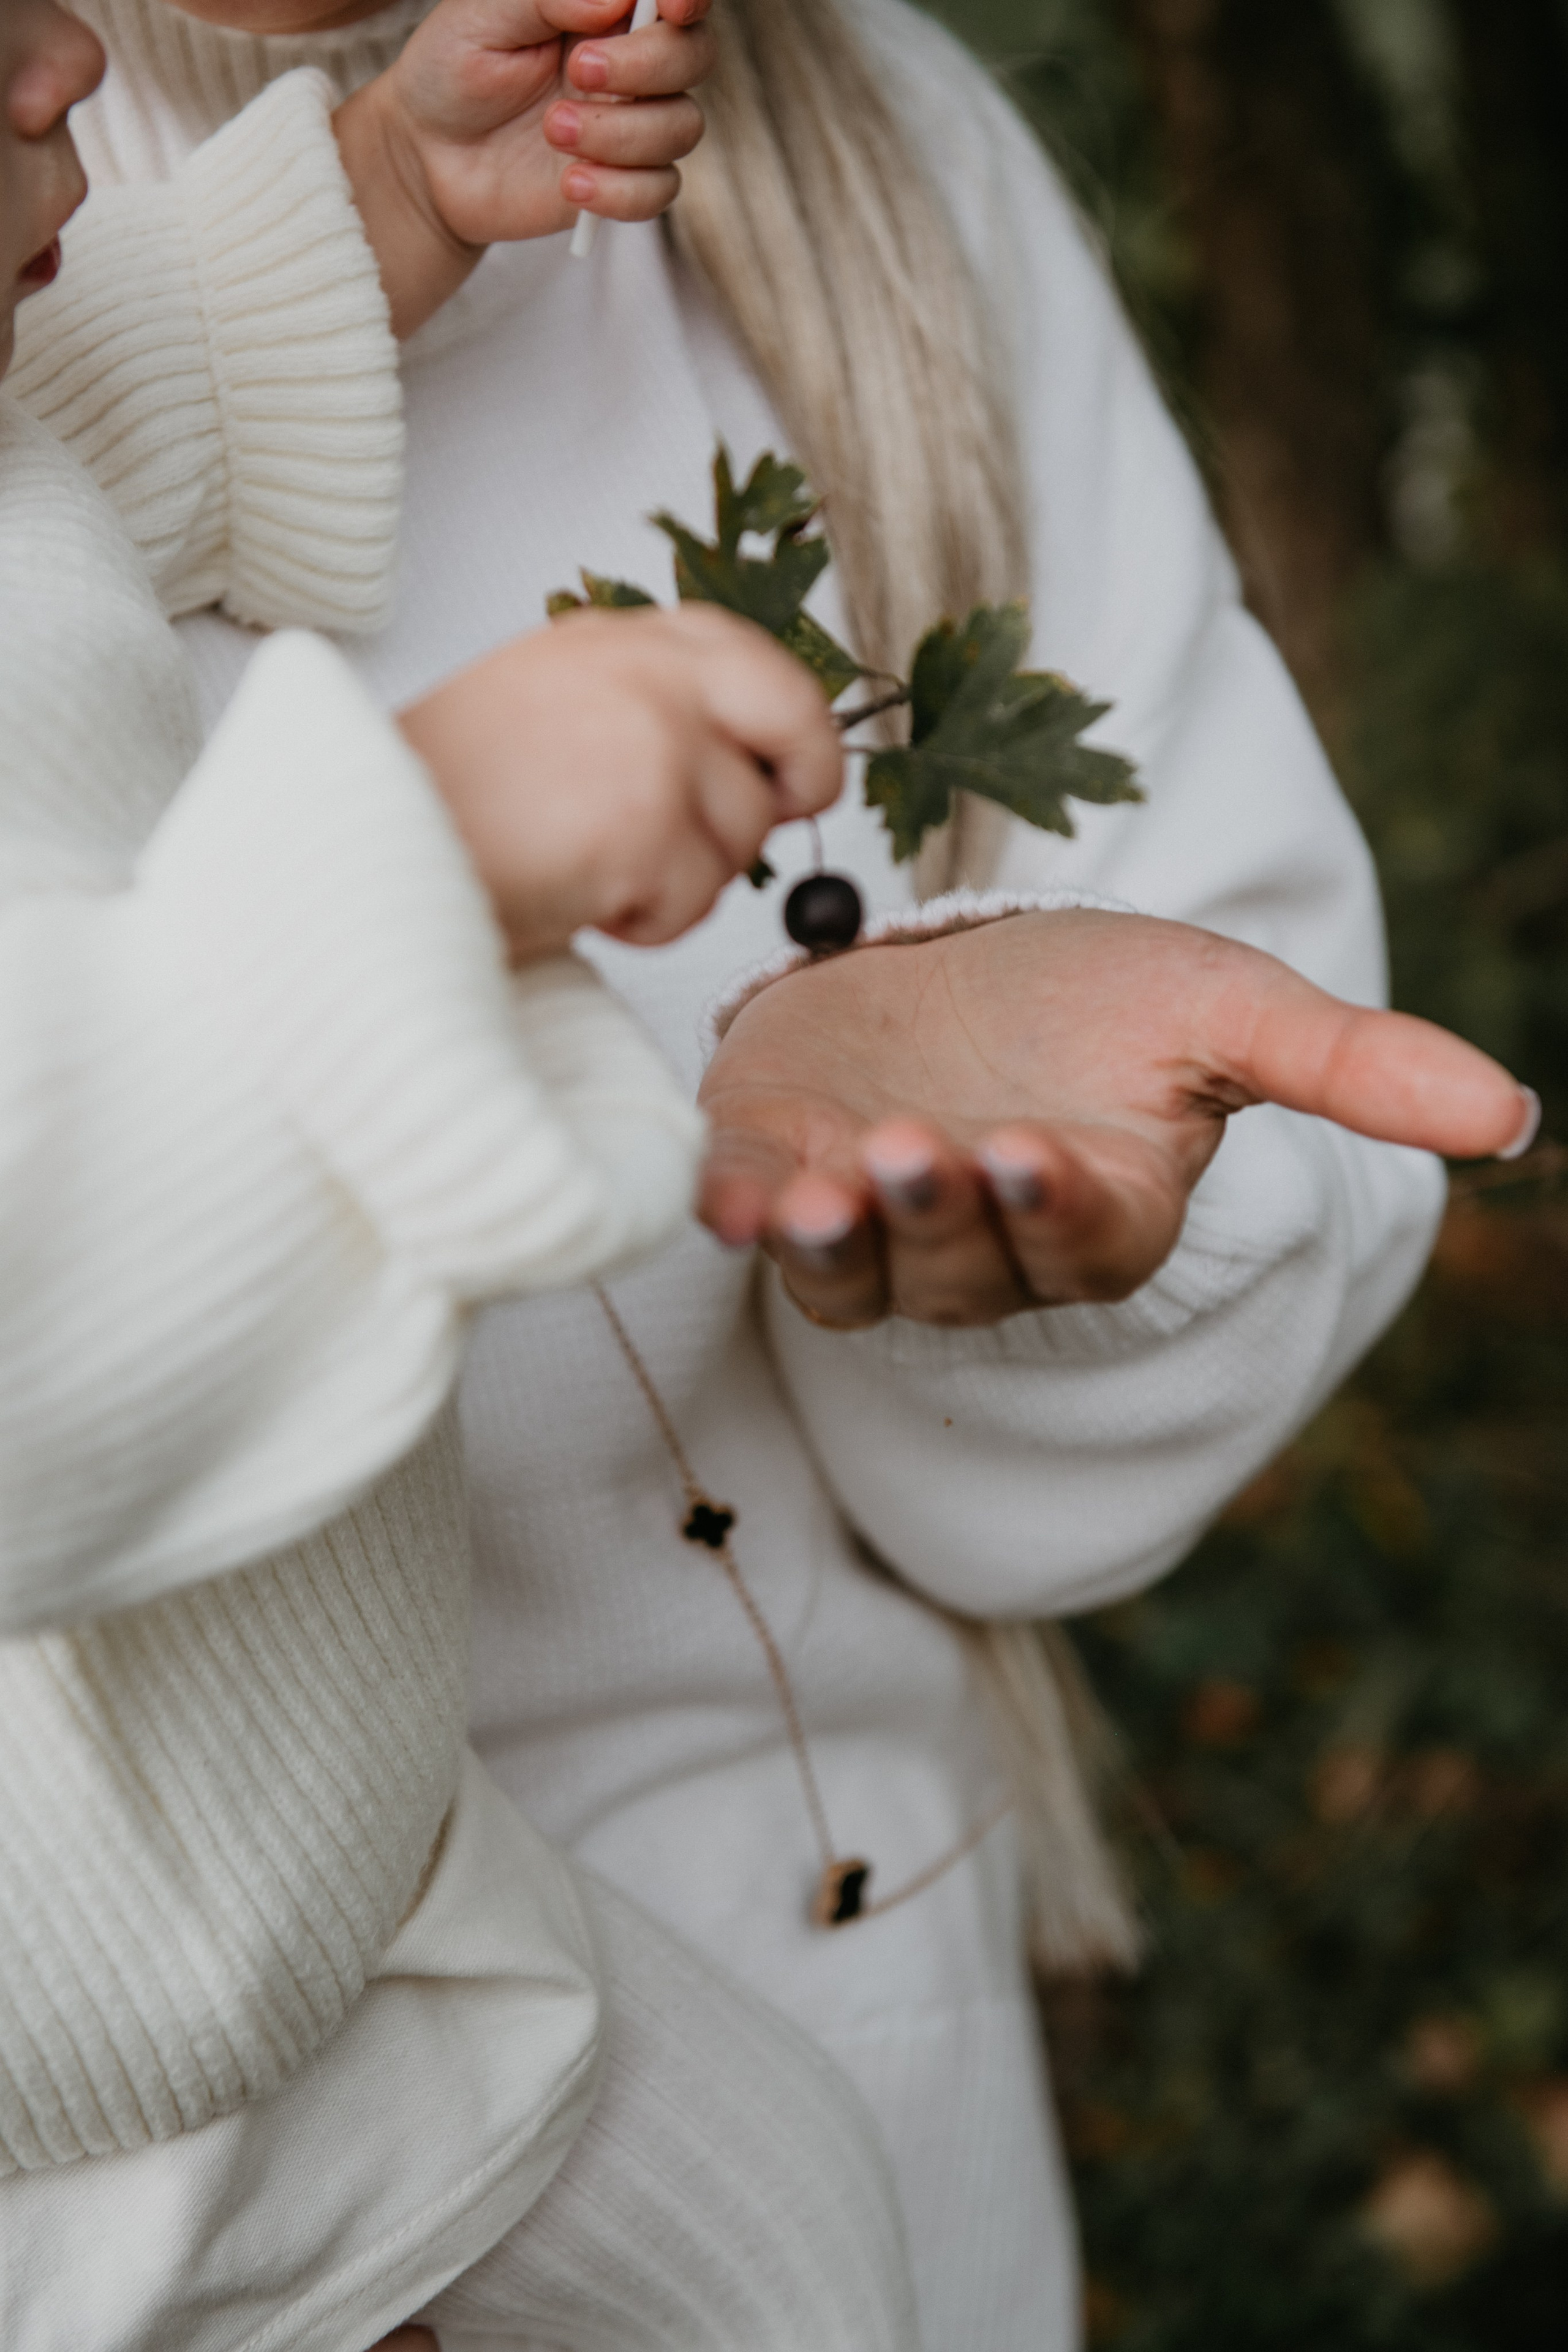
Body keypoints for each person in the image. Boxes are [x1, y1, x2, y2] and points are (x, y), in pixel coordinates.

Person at [10, 2, 1538, 2348]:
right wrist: (415, 857)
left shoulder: (855, 161)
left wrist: (1040, 1210)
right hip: (142, 2125)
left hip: (790, 2005)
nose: (46, 69)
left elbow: (137, 386)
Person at [0, 9, 933, 2350]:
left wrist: (388, 196)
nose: (67, 53)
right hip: (66, 2149)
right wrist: (409, 851)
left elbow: (73, 450)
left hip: (352, 1894)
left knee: (803, 2251)